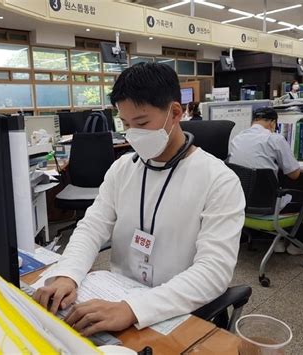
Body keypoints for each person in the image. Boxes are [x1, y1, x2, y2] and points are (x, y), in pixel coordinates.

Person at [33, 62, 245, 336]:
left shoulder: (219, 180)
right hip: (117, 295)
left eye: (142, 123)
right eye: (125, 124)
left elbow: (213, 272)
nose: (133, 134)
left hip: (176, 309)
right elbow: (92, 226)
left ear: (175, 112)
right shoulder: (123, 169)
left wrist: (133, 308)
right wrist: (67, 274)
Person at [228, 107, 303, 255]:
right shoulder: (274, 138)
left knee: (274, 187)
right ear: (272, 123)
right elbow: (294, 174)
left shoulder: (237, 138)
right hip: (268, 206)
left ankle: (277, 241)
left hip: (241, 204)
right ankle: (297, 246)